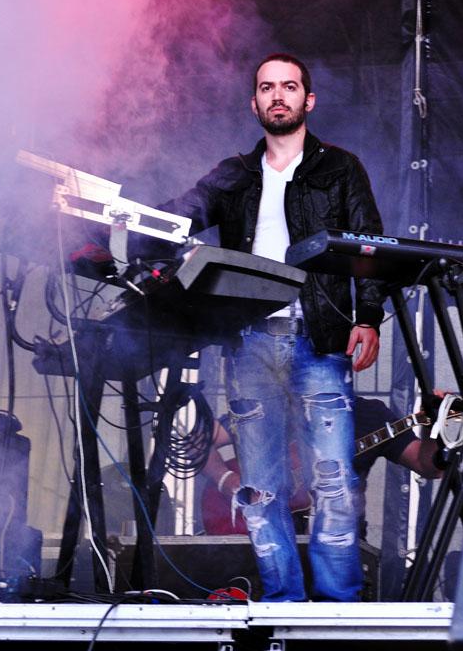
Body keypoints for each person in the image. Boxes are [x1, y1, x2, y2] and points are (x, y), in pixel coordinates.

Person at [160, 53, 385, 601]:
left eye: (288, 86)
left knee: (334, 480)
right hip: (250, 341)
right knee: (260, 488)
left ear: (308, 100)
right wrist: (112, 222)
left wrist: (368, 316)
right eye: (267, 87)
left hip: (320, 337)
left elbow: (368, 247)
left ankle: (337, 609)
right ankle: (283, 601)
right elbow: (181, 214)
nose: (277, 95)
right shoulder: (233, 173)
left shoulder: (341, 168)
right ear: (254, 102)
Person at [200, 397, 444, 538]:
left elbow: (427, 465)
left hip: (342, 544)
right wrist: (226, 480)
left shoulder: (370, 414)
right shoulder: (270, 407)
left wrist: (437, 425)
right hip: (261, 541)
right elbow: (198, 443)